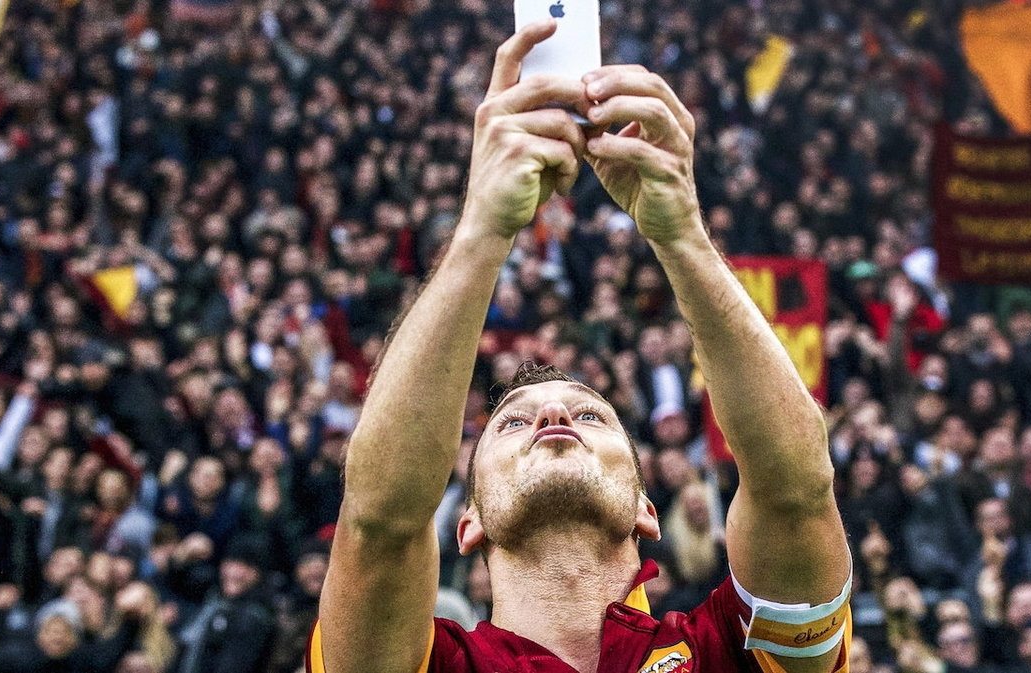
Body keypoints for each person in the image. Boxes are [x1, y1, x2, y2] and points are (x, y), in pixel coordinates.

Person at [310, 19, 851, 673]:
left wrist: (681, 231)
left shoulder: (725, 652)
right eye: (511, 422)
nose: (552, 416)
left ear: (647, 510)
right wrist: (483, 224)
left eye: (592, 414)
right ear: (467, 520)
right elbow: (380, 519)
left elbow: (796, 486)